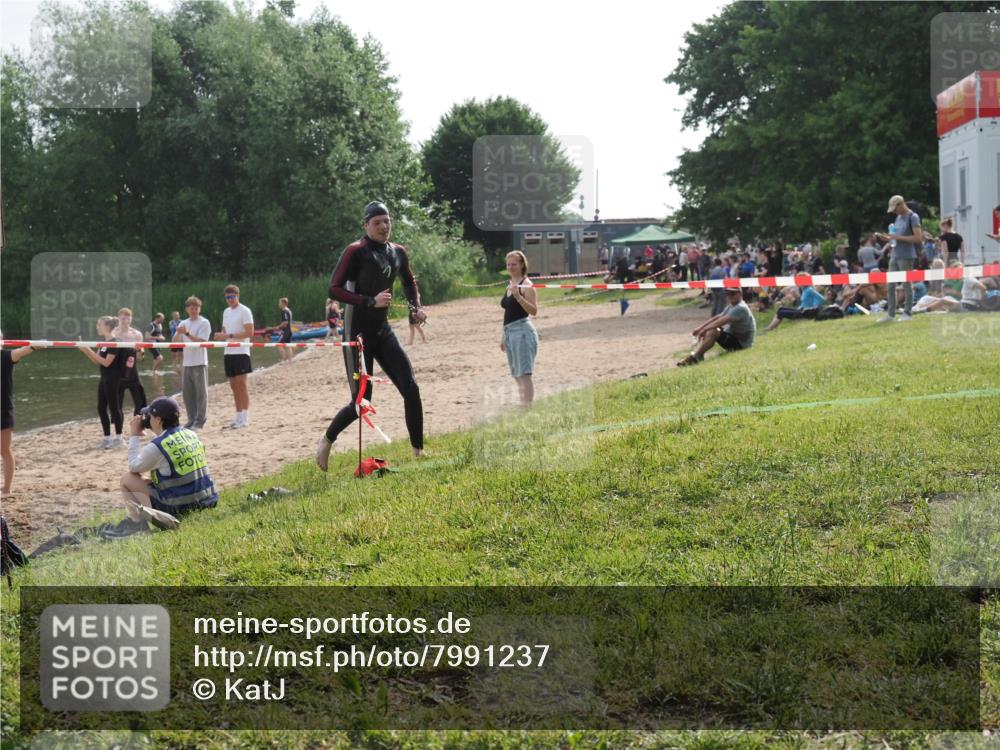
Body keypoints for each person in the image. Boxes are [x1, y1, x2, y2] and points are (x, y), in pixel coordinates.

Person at [316, 200, 426, 470]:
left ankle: (418, 451)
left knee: (411, 388)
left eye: (386, 221)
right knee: (362, 402)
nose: (383, 226)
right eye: (376, 222)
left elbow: (409, 281)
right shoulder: (356, 251)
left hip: (382, 331)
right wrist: (369, 301)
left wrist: (416, 308)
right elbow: (334, 289)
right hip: (358, 336)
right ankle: (327, 441)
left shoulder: (397, 252)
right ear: (366, 225)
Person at [117, 396, 218, 534]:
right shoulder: (191, 434)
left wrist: (134, 436)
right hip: (207, 500)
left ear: (158, 420)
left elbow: (134, 466)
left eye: (150, 416)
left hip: (180, 507)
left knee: (127, 479)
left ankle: (136, 524)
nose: (148, 419)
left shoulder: (158, 446)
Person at [500, 250, 540, 406]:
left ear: (522, 264)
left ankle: (527, 408)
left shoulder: (527, 285)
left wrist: (518, 297)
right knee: (516, 374)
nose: (510, 267)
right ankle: (523, 404)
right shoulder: (510, 284)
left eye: (514, 264)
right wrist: (503, 336)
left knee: (524, 374)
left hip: (523, 332)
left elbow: (534, 311)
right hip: (510, 333)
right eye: (508, 264)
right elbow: (508, 311)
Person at [678, 288, 756, 366]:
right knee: (712, 329)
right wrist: (701, 328)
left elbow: (722, 321)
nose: (730, 296)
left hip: (742, 345)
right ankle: (698, 355)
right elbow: (718, 317)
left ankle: (696, 357)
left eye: (733, 293)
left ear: (740, 294)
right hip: (736, 338)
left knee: (713, 331)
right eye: (727, 293)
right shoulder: (732, 305)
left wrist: (704, 329)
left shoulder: (740, 308)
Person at [80, 316, 126, 449]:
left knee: (114, 408)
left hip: (114, 380)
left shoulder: (115, 342)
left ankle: (119, 438)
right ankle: (107, 438)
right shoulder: (104, 342)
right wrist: (85, 351)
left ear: (106, 326)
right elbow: (97, 360)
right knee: (101, 408)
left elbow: (106, 362)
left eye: (98, 325)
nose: (97, 327)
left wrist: (87, 349)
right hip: (104, 379)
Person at [875, 195, 922, 323]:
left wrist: (898, 238)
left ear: (901, 204)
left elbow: (918, 238)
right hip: (895, 255)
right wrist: (888, 238)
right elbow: (895, 236)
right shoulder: (898, 218)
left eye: (895, 209)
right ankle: (890, 315)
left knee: (907, 284)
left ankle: (907, 313)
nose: (894, 212)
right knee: (890, 285)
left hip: (906, 256)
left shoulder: (913, 217)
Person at [2, 335, 38, 496]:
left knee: (4, 450)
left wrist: (35, 345)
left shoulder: (6, 355)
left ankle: (7, 489)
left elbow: (23, 350)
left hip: (3, 410)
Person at [213, 285, 254, 429]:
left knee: (241, 384)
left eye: (232, 297)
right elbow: (225, 331)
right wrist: (220, 335)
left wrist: (229, 336)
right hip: (228, 352)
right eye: (227, 298)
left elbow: (250, 332)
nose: (230, 300)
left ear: (238, 296)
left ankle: (245, 417)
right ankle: (238, 416)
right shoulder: (226, 312)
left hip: (241, 351)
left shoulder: (245, 310)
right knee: (233, 385)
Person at [175, 296, 211, 430]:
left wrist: (188, 334)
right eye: (192, 308)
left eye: (196, 308)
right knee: (187, 393)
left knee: (201, 393)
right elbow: (175, 342)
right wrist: (179, 333)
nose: (194, 311)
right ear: (187, 309)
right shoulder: (183, 323)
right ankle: (191, 418)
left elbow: (202, 341)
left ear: (199, 309)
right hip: (187, 363)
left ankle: (200, 421)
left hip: (200, 362)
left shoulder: (204, 322)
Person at [113, 308, 147, 415]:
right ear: (118, 318)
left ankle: (139, 423)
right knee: (117, 402)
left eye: (128, 318)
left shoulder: (136, 334)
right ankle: (118, 427)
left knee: (140, 399)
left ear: (131, 319)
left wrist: (139, 352)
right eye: (123, 318)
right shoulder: (113, 333)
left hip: (132, 370)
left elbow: (141, 356)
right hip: (117, 371)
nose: (125, 321)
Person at [277, 297, 294, 363]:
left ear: (284, 303)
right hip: (290, 330)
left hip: (286, 331)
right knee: (288, 346)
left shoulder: (284, 311)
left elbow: (286, 322)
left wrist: (279, 326)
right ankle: (290, 360)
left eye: (280, 303)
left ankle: (284, 360)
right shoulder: (289, 310)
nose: (279, 304)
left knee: (279, 344)